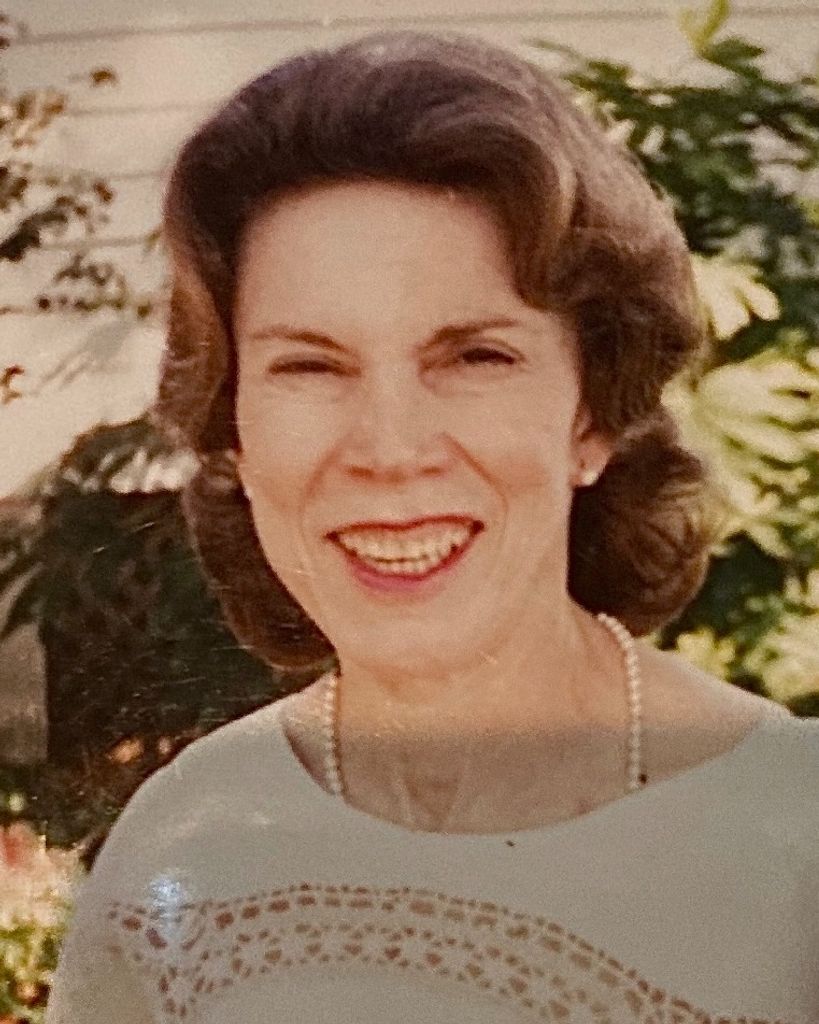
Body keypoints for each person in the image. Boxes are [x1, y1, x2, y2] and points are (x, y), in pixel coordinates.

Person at [45, 29, 818, 1024]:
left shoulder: (793, 833)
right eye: (310, 365)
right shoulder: (181, 847)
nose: (390, 448)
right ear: (234, 431)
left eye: (474, 357)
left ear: (593, 417)